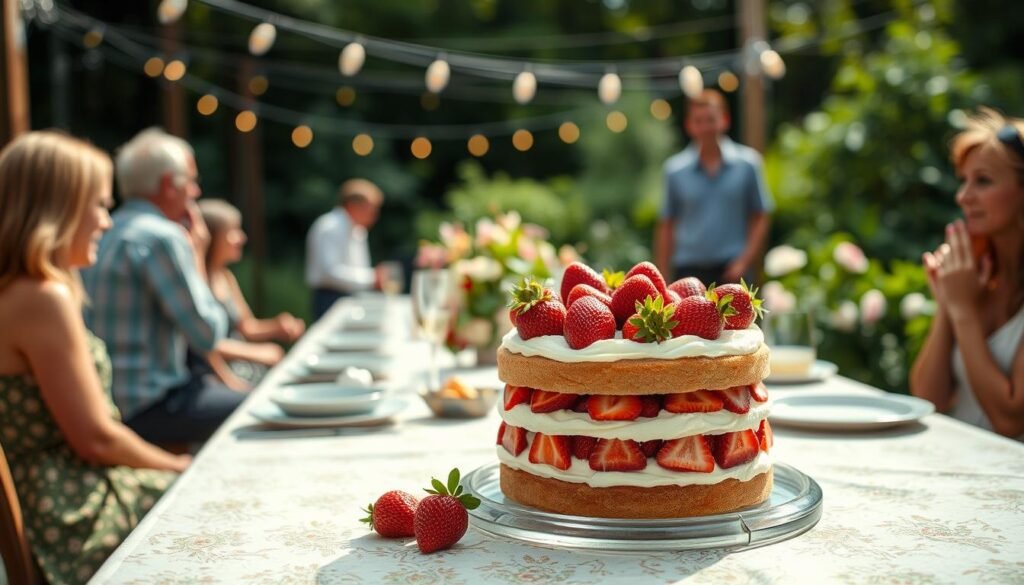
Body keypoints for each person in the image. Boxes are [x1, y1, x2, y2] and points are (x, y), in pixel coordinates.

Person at [0, 131, 189, 584]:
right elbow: (96, 441)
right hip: (71, 513)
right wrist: (181, 467)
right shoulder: (42, 297)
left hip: (62, 496)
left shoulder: (19, 290)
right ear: (58, 208)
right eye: (100, 205)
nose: (107, 221)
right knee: (213, 510)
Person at [81, 128, 240, 446]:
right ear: (170, 184)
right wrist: (197, 255)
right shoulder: (161, 237)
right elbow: (208, 334)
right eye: (191, 182)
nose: (195, 192)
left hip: (108, 401)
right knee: (256, 406)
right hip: (150, 405)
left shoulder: (106, 231)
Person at [911, 108, 1024, 440]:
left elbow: (1011, 421)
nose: (963, 197)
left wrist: (962, 309)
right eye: (964, 181)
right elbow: (928, 399)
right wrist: (949, 301)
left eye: (984, 181)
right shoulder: (973, 274)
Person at [655, 89, 773, 285]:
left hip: (733, 270)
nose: (705, 127)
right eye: (699, 121)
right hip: (687, 273)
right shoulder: (674, 171)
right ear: (689, 125)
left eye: (710, 119)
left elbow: (760, 216)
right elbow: (666, 225)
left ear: (724, 120)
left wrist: (744, 262)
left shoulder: (748, 164)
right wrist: (662, 275)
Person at [198, 198, 305, 389]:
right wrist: (257, 353)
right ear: (212, 237)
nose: (242, 238)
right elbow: (204, 342)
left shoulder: (226, 276)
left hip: (242, 366)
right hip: (218, 374)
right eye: (233, 232)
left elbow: (247, 327)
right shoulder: (197, 284)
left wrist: (277, 326)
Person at [306, 178, 385, 320]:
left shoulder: (358, 231)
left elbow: (360, 268)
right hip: (329, 298)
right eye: (371, 208)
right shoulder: (330, 227)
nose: (375, 215)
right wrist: (372, 278)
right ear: (352, 205)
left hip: (352, 297)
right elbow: (329, 273)